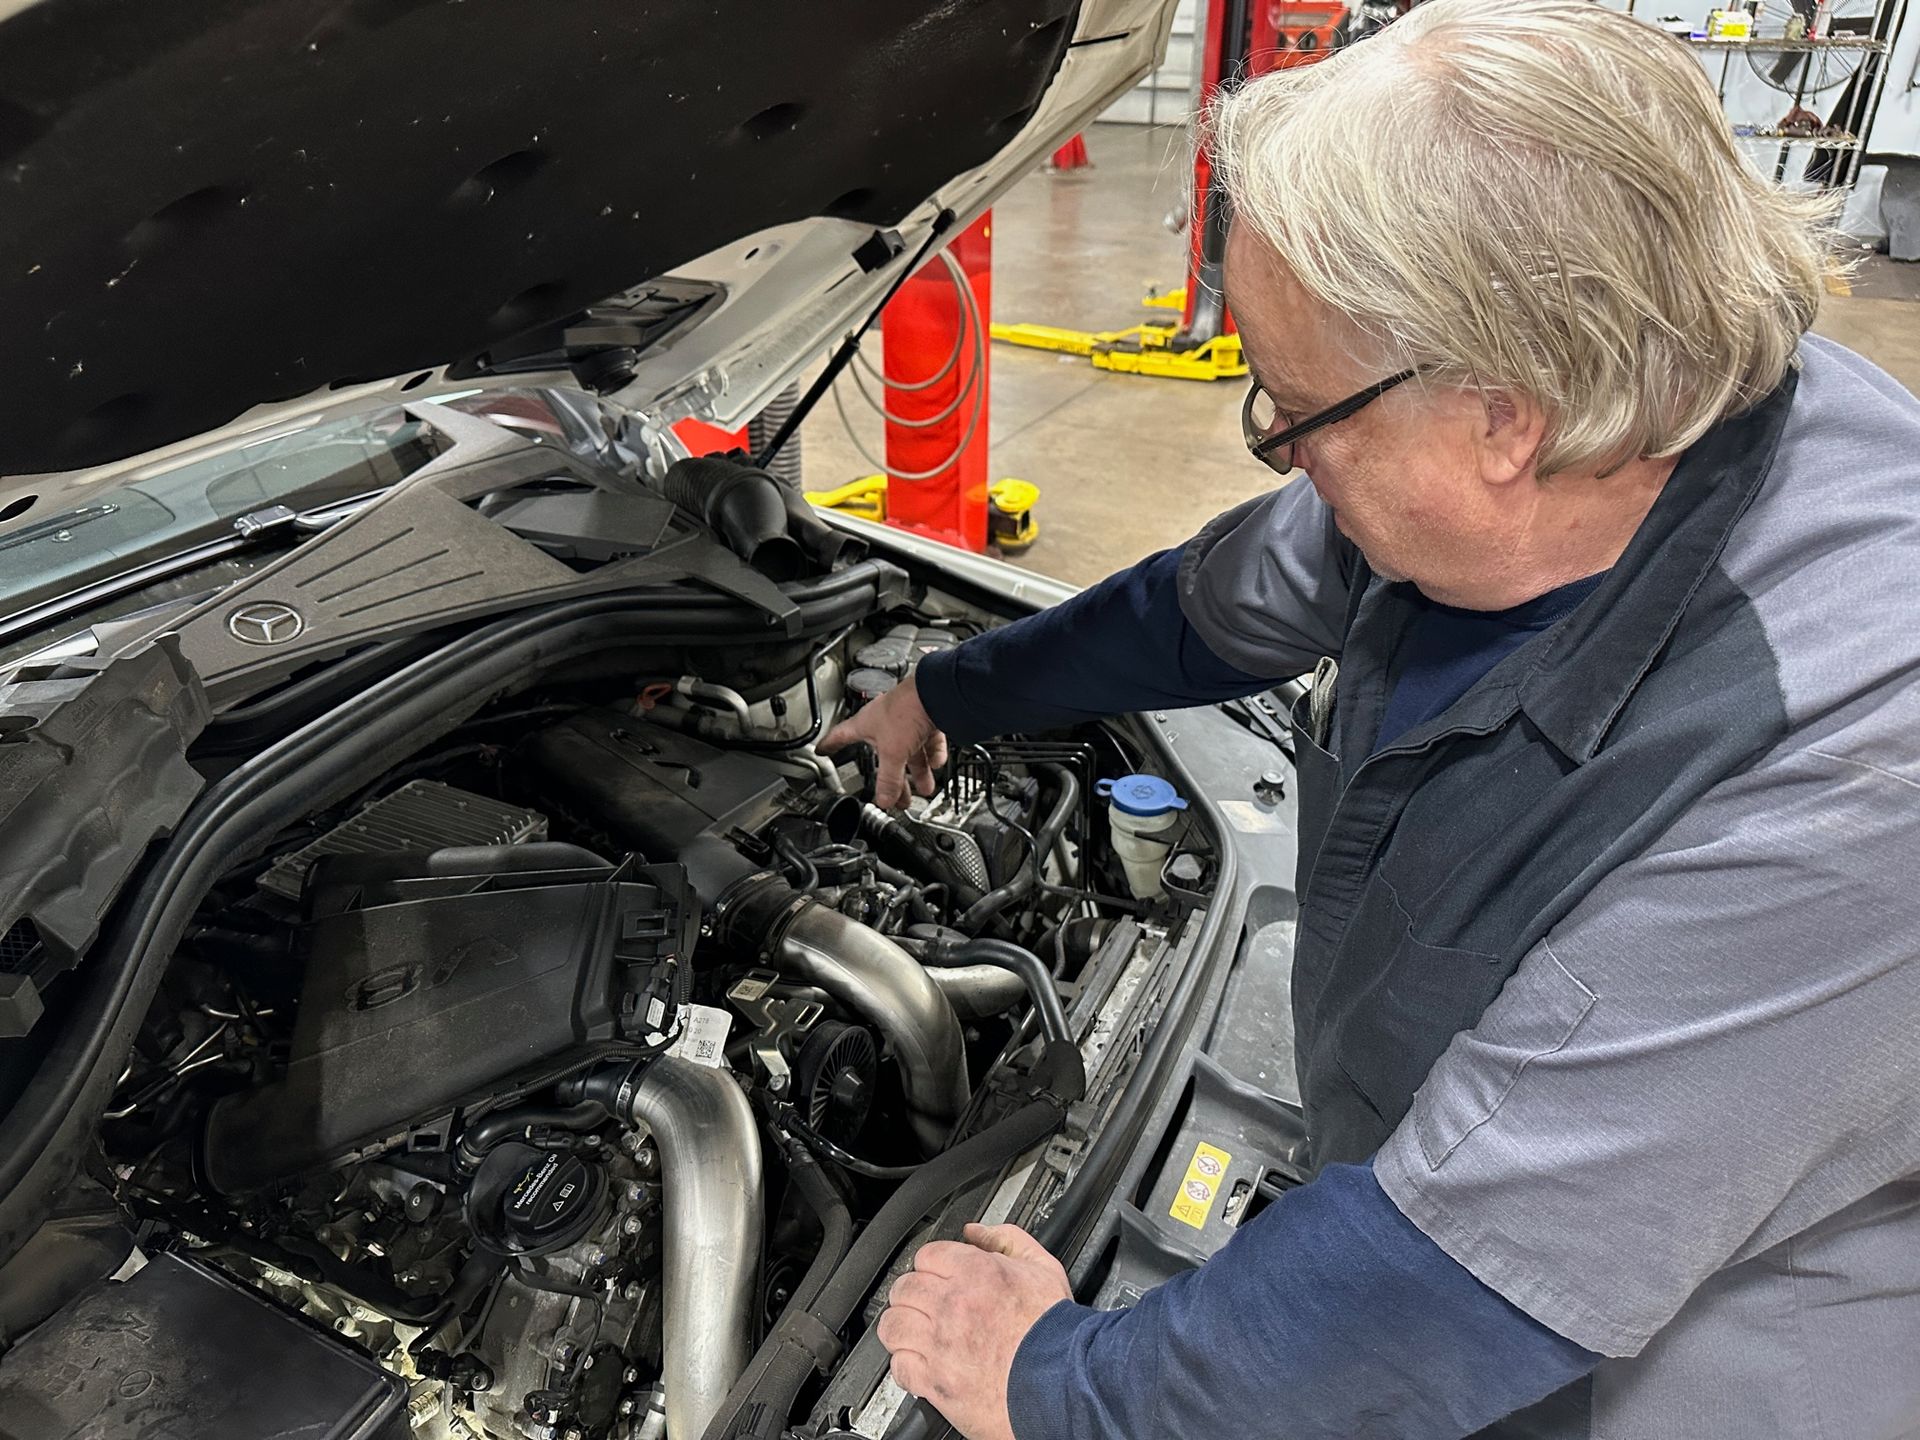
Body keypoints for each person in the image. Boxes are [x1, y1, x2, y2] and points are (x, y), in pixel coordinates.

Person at [818, 0, 1920, 1435]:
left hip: (1653, 1362)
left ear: (1505, 416)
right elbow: (1206, 609)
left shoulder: (1853, 760)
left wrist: (1050, 1383)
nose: (1281, 453)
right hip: (1438, 1188)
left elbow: (1452, 1283)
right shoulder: (1571, 424)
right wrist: (943, 689)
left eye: (1294, 411)